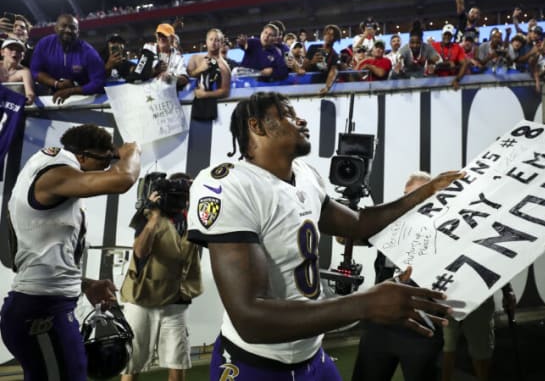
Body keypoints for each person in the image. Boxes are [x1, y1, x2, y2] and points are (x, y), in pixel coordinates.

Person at [187, 91, 462, 380]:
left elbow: (359, 224)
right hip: (254, 364)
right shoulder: (229, 185)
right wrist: (365, 304)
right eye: (287, 114)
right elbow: (250, 320)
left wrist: (426, 192)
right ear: (257, 126)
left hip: (312, 356)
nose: (300, 119)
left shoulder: (305, 174)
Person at [0, 124, 141, 380]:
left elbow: (46, 255)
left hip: (46, 305)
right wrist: (131, 151)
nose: (108, 166)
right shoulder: (55, 173)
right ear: (84, 156)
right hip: (39, 311)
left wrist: (84, 283)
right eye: (106, 160)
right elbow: (124, 179)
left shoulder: (53, 171)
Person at [351, 172, 445, 381]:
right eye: (406, 196)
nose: (409, 203)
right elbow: (346, 237)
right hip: (380, 325)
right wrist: (349, 221)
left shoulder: (446, 228)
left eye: (418, 196)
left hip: (422, 328)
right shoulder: (389, 223)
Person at [120, 173, 203, 381]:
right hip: (142, 298)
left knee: (177, 360)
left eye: (184, 194)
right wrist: (154, 217)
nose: (180, 199)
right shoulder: (148, 215)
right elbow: (140, 252)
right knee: (132, 362)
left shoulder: (193, 218)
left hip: (176, 298)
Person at [441, 284, 515, 381]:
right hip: (447, 292)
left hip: (478, 295)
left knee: (481, 351)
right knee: (447, 347)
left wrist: (507, 289)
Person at [30, 14, 106, 104]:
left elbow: (99, 82)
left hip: (83, 99)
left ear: (78, 32)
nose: (68, 30)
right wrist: (57, 84)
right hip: (50, 97)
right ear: (56, 28)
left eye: (72, 27)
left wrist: (71, 91)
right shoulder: (44, 44)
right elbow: (35, 71)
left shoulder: (89, 52)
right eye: (64, 26)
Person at [187, 28, 231, 100]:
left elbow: (225, 92)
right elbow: (188, 76)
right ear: (206, 41)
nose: (213, 43)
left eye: (217, 40)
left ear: (221, 43)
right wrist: (200, 69)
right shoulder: (195, 58)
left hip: (213, 106)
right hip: (196, 105)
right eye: (211, 39)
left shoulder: (223, 66)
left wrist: (204, 95)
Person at [143, 23, 189, 89]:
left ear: (172, 38)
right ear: (156, 36)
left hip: (168, 94)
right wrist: (154, 71)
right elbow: (138, 72)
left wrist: (171, 79)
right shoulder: (148, 48)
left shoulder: (177, 56)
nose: (161, 38)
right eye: (159, 35)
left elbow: (184, 79)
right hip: (146, 91)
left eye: (164, 35)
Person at [0, 38, 35, 104]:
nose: (15, 52)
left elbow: (30, 93)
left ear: (23, 56)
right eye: (11, 49)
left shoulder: (25, 72)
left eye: (19, 50)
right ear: (2, 52)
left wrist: (28, 100)